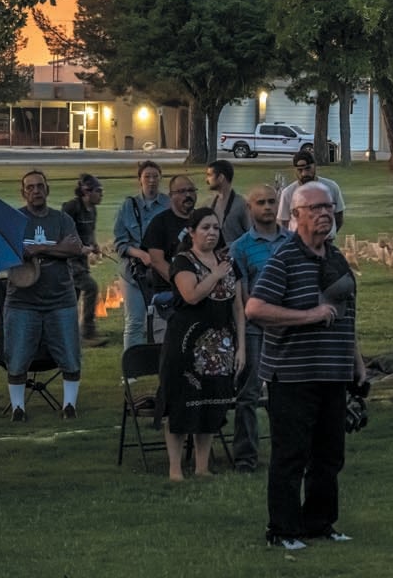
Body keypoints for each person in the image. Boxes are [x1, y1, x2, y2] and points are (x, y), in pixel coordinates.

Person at [247, 181, 366, 550]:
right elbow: (255, 309)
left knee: (329, 455)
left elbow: (347, 315)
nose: (324, 214)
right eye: (315, 208)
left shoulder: (336, 258)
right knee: (291, 454)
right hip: (293, 373)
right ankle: (282, 530)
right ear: (296, 216)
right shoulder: (283, 258)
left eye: (328, 207)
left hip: (333, 370)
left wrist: (356, 361)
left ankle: (320, 523)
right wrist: (308, 315)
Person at [156, 207, 244, 482]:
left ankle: (203, 466)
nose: (212, 233)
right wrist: (215, 275)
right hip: (187, 343)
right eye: (205, 227)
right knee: (183, 402)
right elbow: (191, 295)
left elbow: (238, 306)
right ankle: (175, 469)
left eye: (216, 228)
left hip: (222, 343)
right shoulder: (183, 261)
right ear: (192, 232)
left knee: (211, 402)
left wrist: (242, 346)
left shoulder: (228, 260)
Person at [8, 170, 85, 421]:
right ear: (23, 192)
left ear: (47, 190)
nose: (36, 191)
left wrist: (40, 248)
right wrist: (55, 249)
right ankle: (18, 408)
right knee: (17, 356)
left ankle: (69, 406)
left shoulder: (61, 219)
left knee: (70, 354)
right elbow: (12, 252)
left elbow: (74, 248)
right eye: (30, 187)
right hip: (22, 300)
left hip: (60, 299)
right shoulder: (15, 219)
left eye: (40, 186)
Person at [229, 184, 292, 472]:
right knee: (248, 394)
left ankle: (289, 451)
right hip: (255, 328)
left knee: (288, 393)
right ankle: (245, 456)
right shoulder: (240, 248)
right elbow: (241, 296)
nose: (267, 207)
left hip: (288, 327)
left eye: (271, 201)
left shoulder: (292, 242)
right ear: (249, 209)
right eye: (260, 202)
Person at [113, 160, 169, 349]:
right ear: (140, 180)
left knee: (163, 322)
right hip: (133, 274)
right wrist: (141, 255)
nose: (151, 181)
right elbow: (120, 242)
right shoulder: (128, 206)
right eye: (147, 177)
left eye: (155, 176)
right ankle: (131, 371)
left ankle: (162, 366)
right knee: (135, 322)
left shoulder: (169, 205)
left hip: (163, 273)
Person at [141, 174, 201, 345]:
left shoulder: (204, 220)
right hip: (169, 300)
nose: (187, 195)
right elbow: (157, 260)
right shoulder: (159, 223)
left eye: (191, 190)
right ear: (171, 196)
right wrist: (184, 286)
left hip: (202, 297)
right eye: (181, 191)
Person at [62, 173, 106, 347]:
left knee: (73, 297)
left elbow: (89, 232)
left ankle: (69, 333)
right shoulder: (71, 208)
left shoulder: (93, 210)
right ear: (86, 192)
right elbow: (63, 234)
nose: (101, 194)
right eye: (98, 191)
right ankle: (87, 333)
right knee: (91, 288)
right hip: (69, 261)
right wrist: (81, 248)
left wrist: (93, 245)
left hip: (81, 261)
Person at [278, 151, 346, 233]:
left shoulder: (331, 187)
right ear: (294, 170)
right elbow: (284, 223)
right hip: (299, 243)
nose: (304, 174)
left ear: (315, 166)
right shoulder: (287, 193)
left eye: (308, 168)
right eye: (300, 170)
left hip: (327, 241)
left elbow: (339, 217)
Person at [206, 159, 253, 245]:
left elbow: (251, 234)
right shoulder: (209, 203)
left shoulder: (241, 204)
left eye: (209, 175)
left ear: (221, 178)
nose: (206, 180)